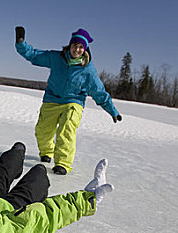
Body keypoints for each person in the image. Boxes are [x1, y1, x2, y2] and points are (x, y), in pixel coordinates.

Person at [15, 26, 122, 175]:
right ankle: (46, 152)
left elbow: (99, 92)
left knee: (67, 129)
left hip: (73, 102)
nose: (76, 50)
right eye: (74, 45)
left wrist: (112, 110)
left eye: (80, 47)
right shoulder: (56, 58)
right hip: (52, 99)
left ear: (84, 50)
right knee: (42, 130)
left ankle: (63, 163)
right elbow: (33, 55)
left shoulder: (88, 70)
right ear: (70, 46)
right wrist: (21, 43)